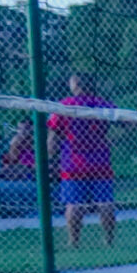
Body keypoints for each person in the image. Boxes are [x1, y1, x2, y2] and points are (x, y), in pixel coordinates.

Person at [49, 72, 117, 248]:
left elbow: (54, 135)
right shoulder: (102, 104)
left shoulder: (65, 105)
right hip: (100, 161)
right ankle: (108, 240)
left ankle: (74, 241)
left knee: (73, 204)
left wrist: (49, 156)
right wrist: (114, 139)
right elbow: (131, 123)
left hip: (73, 162)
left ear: (76, 85)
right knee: (105, 202)